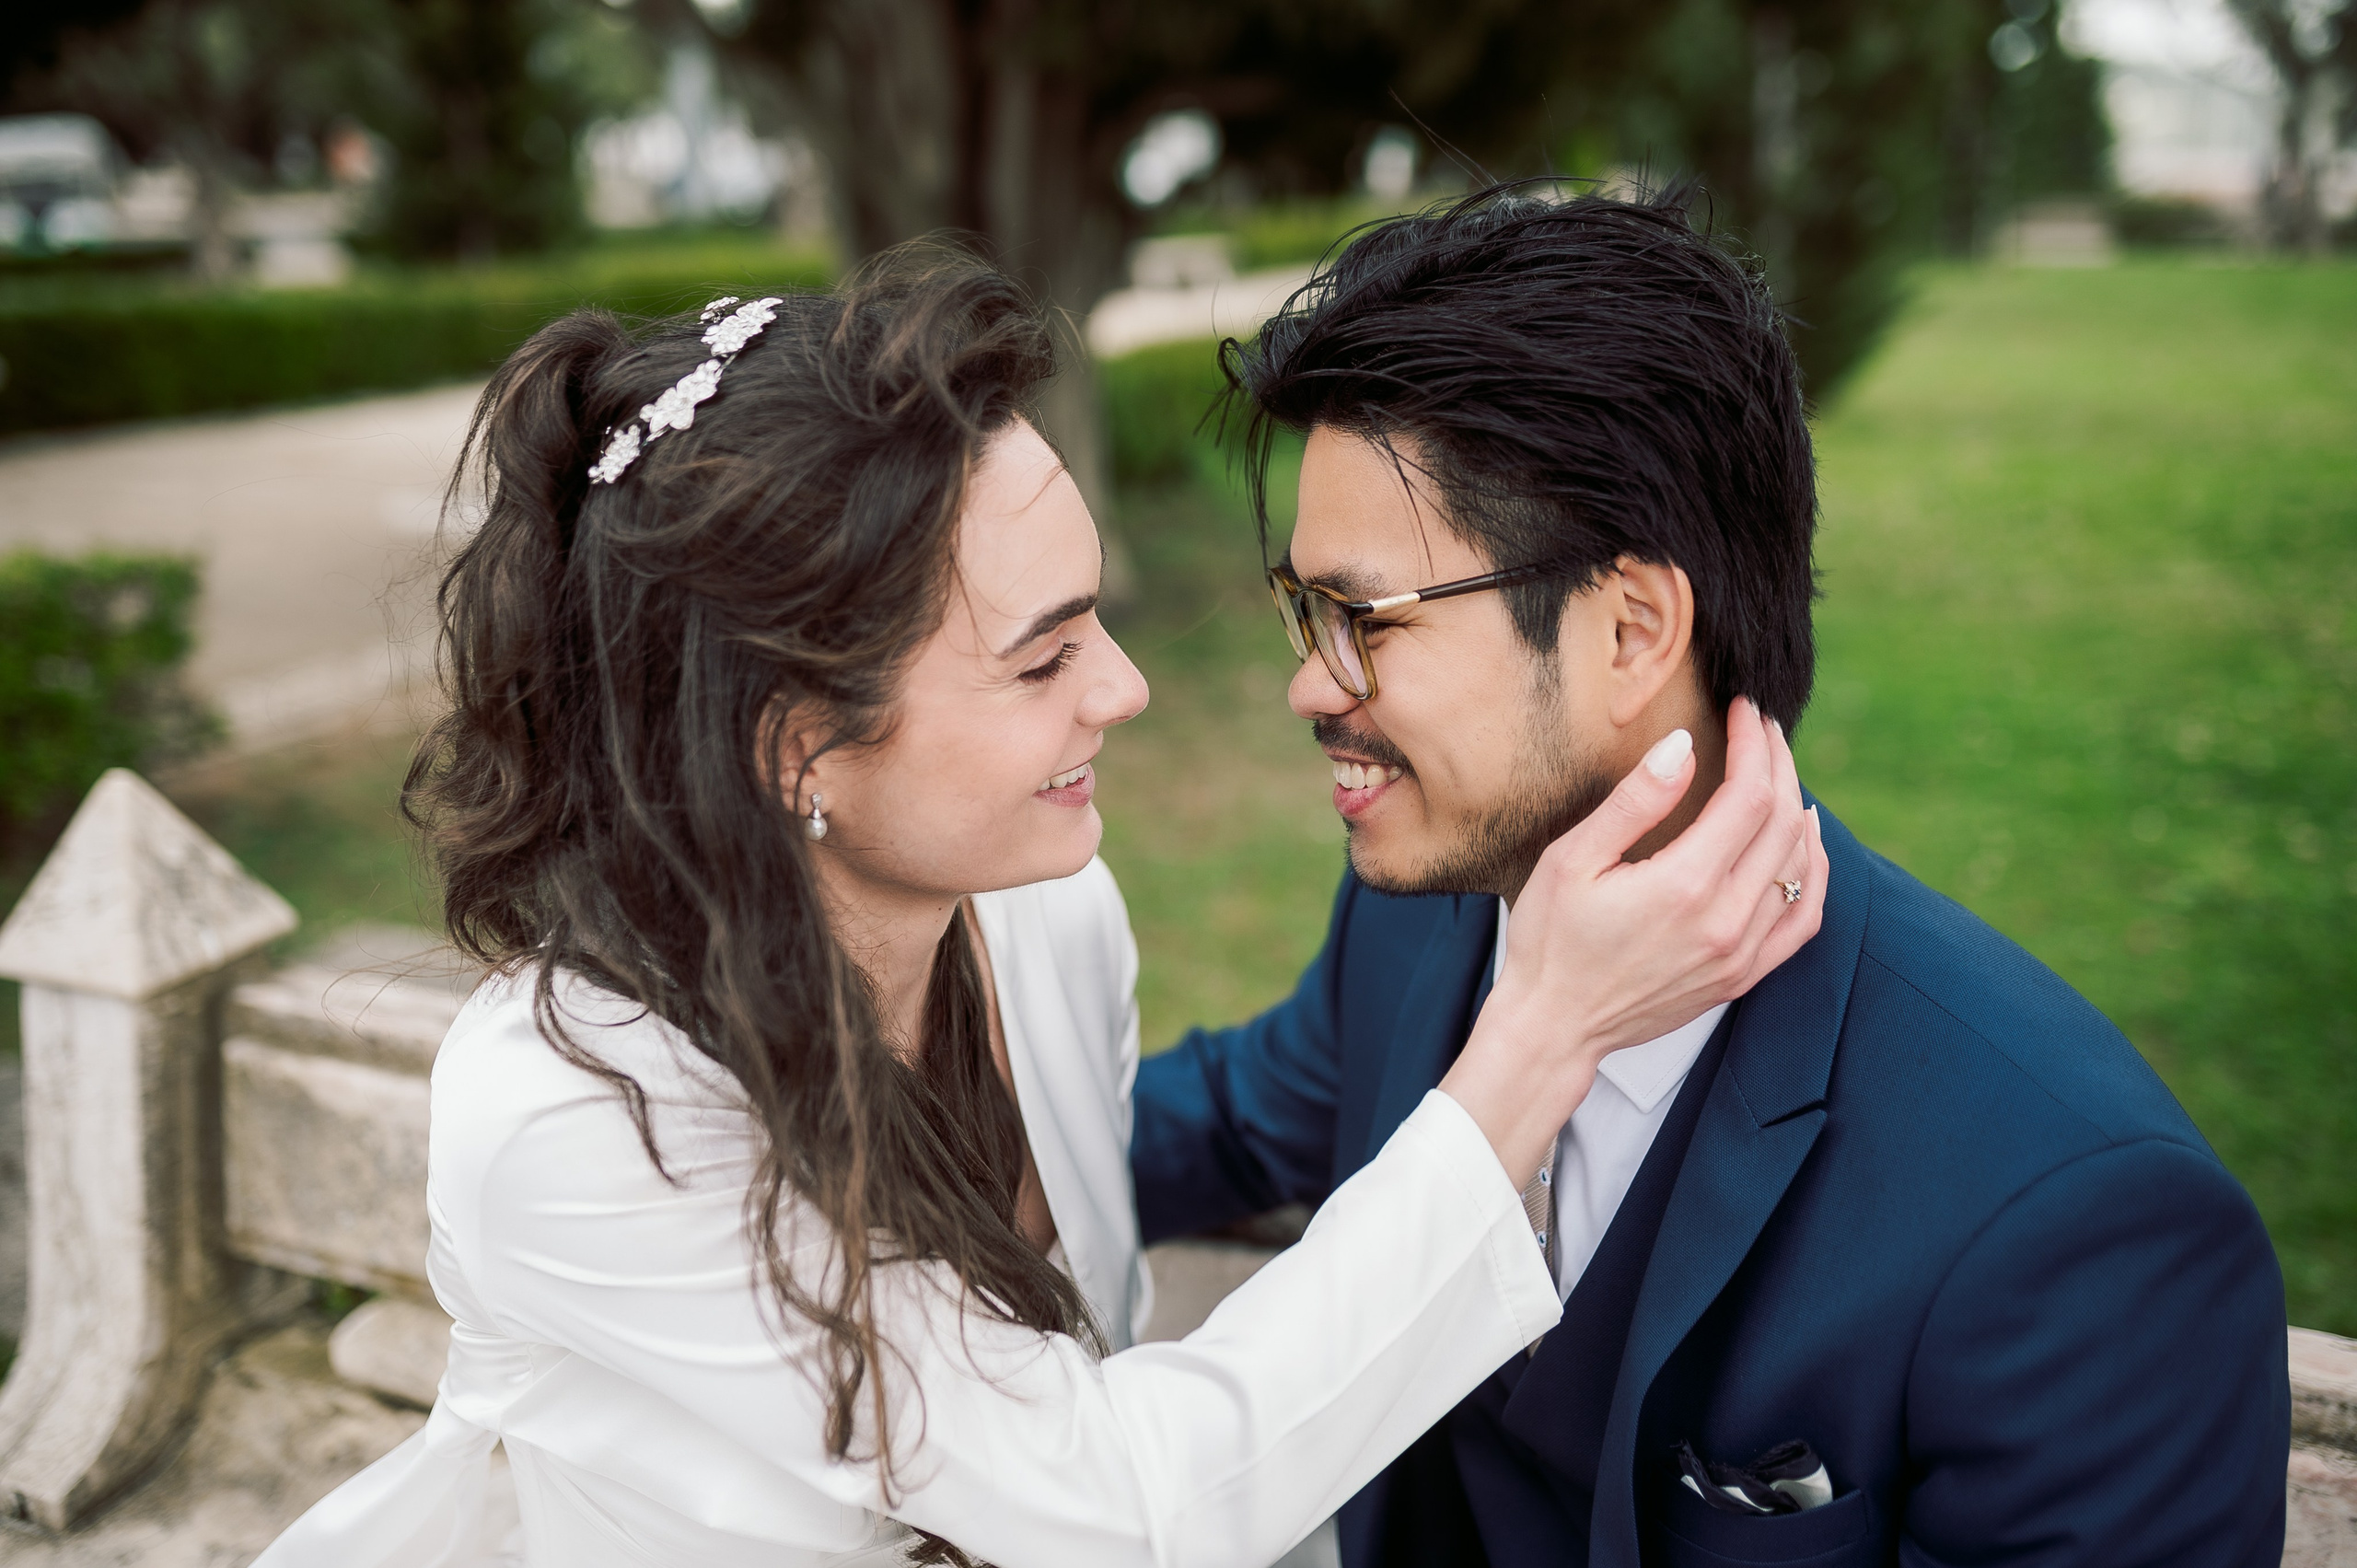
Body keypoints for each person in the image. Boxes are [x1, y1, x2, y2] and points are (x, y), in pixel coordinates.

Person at [254, 249, 1823, 1568]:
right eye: (1043, 656)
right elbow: (1111, 1505)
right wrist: (1544, 1034)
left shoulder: (1046, 922)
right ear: (797, 743)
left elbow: (1158, 1188)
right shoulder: (578, 1116)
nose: (1127, 690)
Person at [1131, 181, 2292, 1567]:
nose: (1309, 685)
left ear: (1632, 631)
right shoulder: (1424, 925)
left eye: (1364, 619)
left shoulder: (2075, 1229)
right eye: (1304, 610)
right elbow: (1216, 1121)